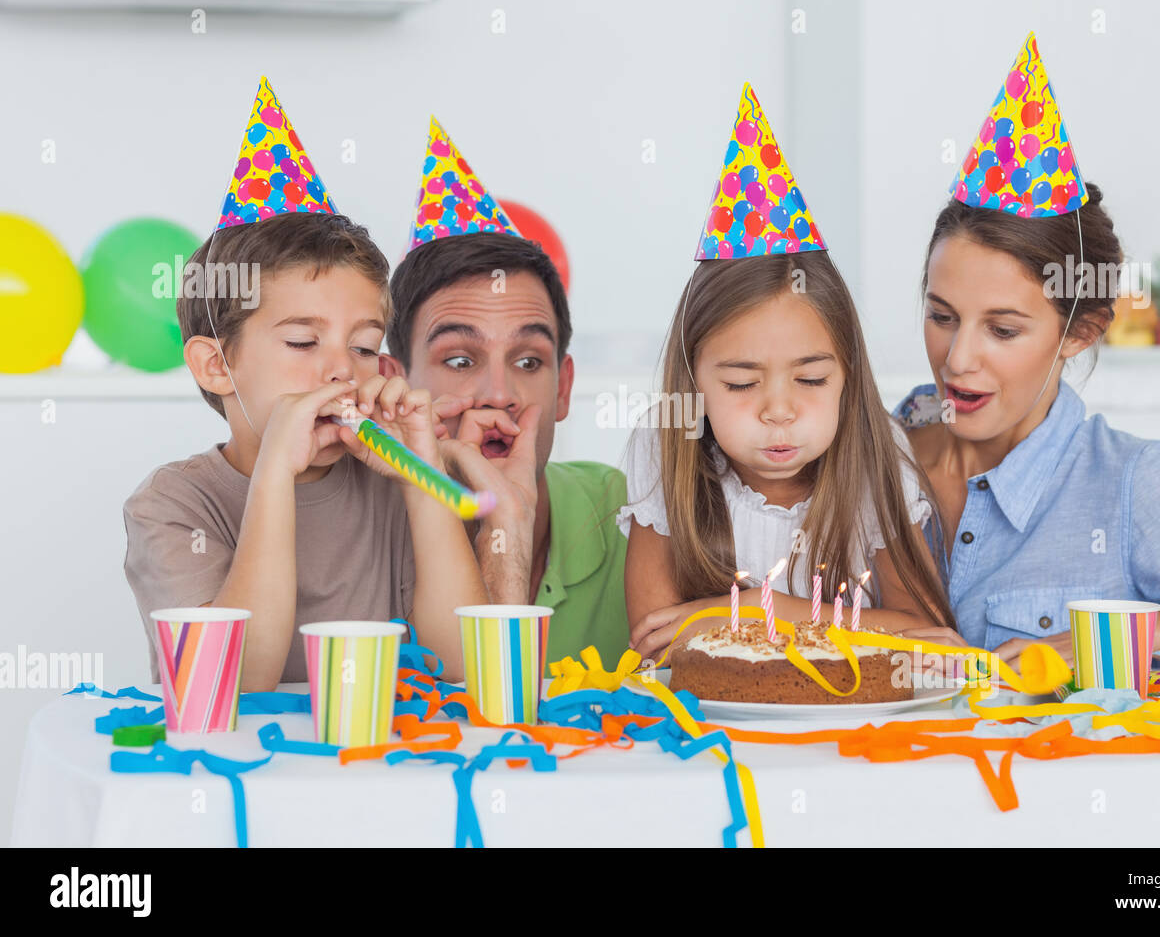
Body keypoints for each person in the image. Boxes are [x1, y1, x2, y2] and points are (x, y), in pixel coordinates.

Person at [895, 34, 1160, 672]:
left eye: (1003, 330)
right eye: (942, 317)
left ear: (1080, 332)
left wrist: (1155, 633)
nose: (957, 360)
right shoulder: (866, 453)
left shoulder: (1138, 487)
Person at [124, 81, 486, 689]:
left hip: (375, 772)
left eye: (365, 346)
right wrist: (273, 475)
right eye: (301, 342)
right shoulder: (171, 507)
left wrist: (422, 478)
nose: (344, 368)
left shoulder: (397, 485)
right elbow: (231, 688)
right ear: (217, 365)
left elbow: (468, 673)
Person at [621, 84, 952, 663]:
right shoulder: (663, 450)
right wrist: (833, 630)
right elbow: (658, 647)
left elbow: (931, 638)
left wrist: (754, 610)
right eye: (742, 384)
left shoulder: (878, 460)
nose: (778, 410)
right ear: (693, 381)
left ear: (848, 375)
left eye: (812, 380)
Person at [386, 116, 629, 668]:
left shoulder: (623, 517)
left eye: (527, 360)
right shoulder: (352, 527)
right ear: (395, 383)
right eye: (460, 359)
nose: (499, 393)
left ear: (563, 388)